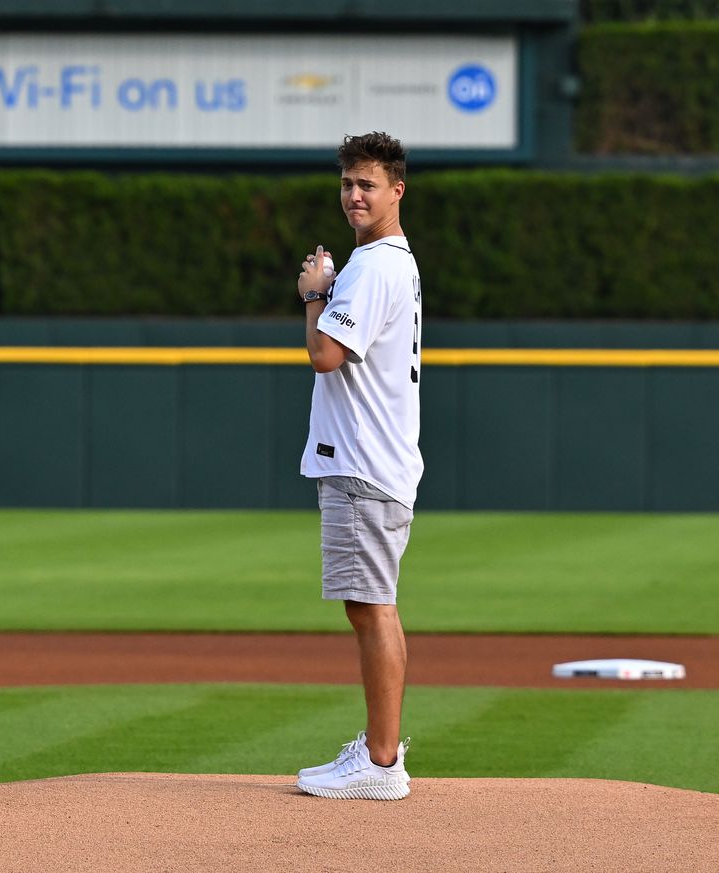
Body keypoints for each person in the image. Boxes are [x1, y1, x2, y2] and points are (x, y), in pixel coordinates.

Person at [293, 131, 422, 801]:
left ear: (396, 190)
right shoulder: (385, 262)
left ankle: (380, 760)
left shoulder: (373, 266)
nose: (354, 195)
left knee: (371, 607)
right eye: (347, 183)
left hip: (364, 464)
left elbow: (325, 355)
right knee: (371, 605)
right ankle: (381, 753)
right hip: (377, 460)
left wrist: (314, 292)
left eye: (367, 184)